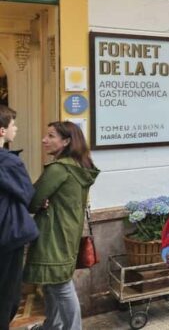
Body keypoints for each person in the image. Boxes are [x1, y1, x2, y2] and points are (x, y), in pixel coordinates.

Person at [24, 121, 99, 330]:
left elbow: (32, 200)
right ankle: (52, 326)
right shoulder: (79, 167)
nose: (44, 140)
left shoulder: (58, 169)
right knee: (52, 283)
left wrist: (40, 200)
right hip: (67, 232)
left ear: (66, 141)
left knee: (60, 286)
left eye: (50, 136)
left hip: (53, 234)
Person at [0, 106, 38, 328]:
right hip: (7, 236)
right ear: (2, 131)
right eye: (12, 124)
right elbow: (28, 195)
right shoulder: (8, 161)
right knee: (7, 295)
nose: (16, 128)